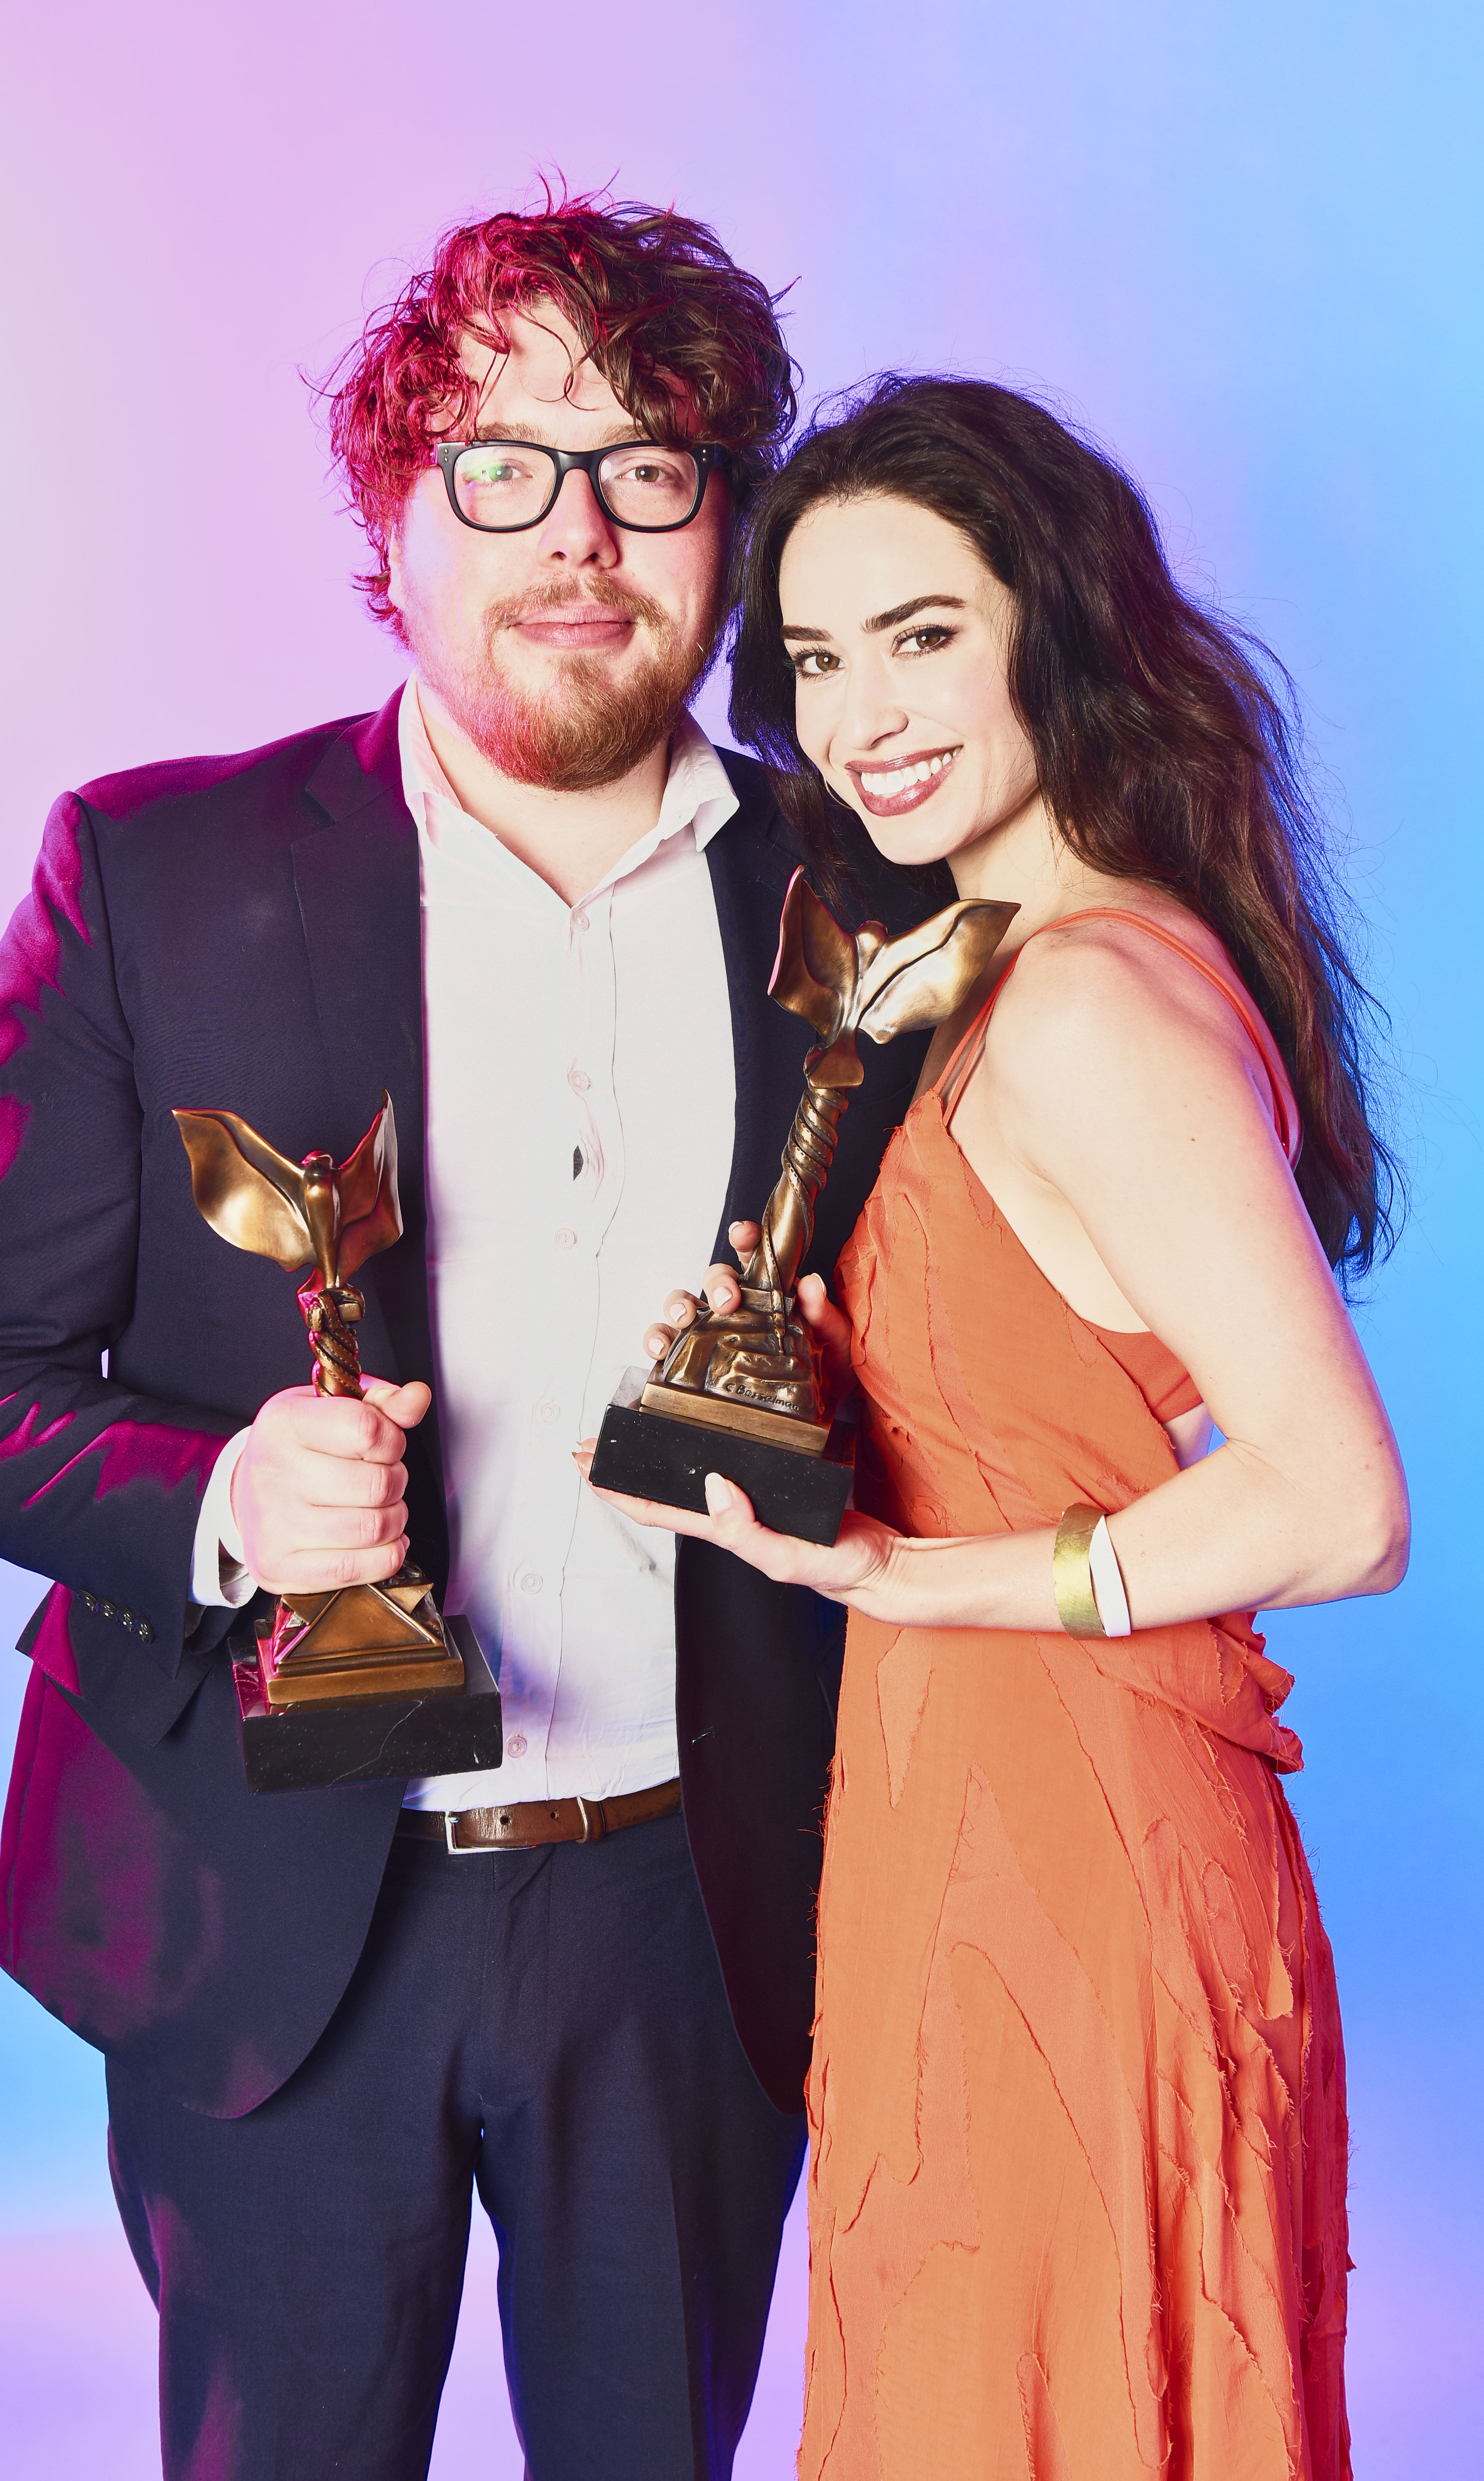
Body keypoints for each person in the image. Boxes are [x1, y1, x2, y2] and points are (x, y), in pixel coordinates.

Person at [0, 202, 937, 2481]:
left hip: (697, 1907)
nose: (577, 532)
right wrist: (225, 1499)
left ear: (725, 524)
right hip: (267, 1913)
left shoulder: (862, 904)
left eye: (648, 464)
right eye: (501, 464)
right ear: (392, 513)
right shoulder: (147, 871)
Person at [584, 375, 1408, 2479]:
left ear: (1055, 620)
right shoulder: (977, 958)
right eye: (816, 656)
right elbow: (1031, 1361)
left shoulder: (1084, 999)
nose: (856, 711)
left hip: (1073, 1859)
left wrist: (903, 1569)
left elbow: (1336, 1503)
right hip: (960, 1825)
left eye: (920, 632)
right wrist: (789, 1366)